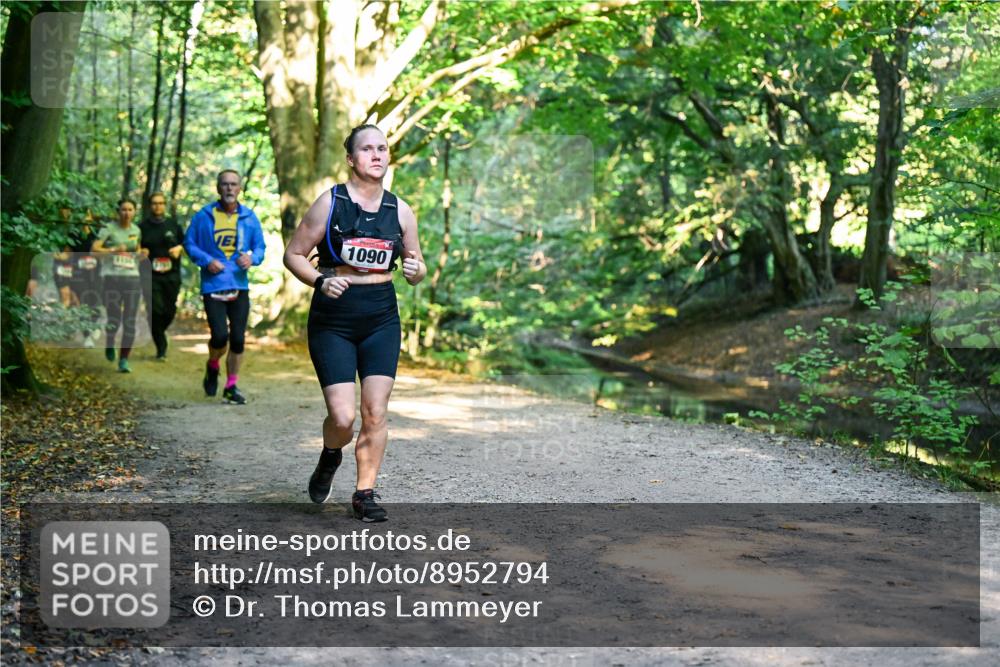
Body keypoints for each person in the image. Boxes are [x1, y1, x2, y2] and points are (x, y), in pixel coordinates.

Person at [283, 124, 426, 522]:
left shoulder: (400, 210)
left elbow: (416, 266)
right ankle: (331, 455)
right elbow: (293, 254)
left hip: (381, 316)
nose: (377, 155)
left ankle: (364, 493)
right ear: (350, 159)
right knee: (343, 418)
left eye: (382, 148)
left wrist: (416, 270)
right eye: (367, 149)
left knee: (375, 411)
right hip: (334, 318)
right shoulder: (330, 203)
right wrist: (320, 280)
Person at [184, 169, 265, 405]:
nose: (229, 188)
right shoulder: (204, 216)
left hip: (239, 283)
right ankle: (212, 364)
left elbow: (260, 247)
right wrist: (206, 260)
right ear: (218, 188)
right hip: (213, 284)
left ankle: (231, 386)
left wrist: (252, 258)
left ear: (240, 188)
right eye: (225, 184)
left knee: (238, 339)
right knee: (219, 337)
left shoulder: (249, 217)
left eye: (233, 184)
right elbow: (189, 243)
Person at [91, 199, 146, 373]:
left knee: (130, 320)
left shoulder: (136, 230)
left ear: (134, 212)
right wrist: (113, 250)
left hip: (132, 278)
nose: (127, 213)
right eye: (123, 209)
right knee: (114, 317)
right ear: (118, 212)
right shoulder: (108, 228)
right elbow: (94, 250)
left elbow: (137, 250)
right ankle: (110, 341)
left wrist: (141, 254)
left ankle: (124, 359)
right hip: (111, 278)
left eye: (130, 210)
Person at [140, 191, 185, 360]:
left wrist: (179, 248)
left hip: (171, 275)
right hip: (150, 275)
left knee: (169, 310)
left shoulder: (173, 225)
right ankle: (161, 346)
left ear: (165, 205)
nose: (157, 206)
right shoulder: (142, 227)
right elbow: (133, 247)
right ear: (149, 206)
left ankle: (159, 330)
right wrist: (140, 251)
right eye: (154, 203)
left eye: (160, 203)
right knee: (155, 309)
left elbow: (187, 244)